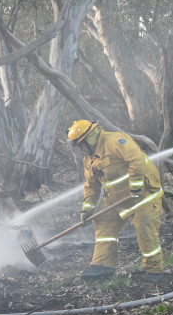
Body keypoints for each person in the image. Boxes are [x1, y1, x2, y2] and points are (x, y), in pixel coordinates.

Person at [67, 120, 164, 282]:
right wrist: (87, 210)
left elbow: (136, 160)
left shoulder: (115, 142)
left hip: (143, 195)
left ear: (89, 138)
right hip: (117, 198)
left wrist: (135, 187)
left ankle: (154, 270)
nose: (80, 149)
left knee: (145, 232)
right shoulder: (89, 159)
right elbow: (91, 186)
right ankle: (102, 265)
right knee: (104, 223)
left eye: (80, 145)